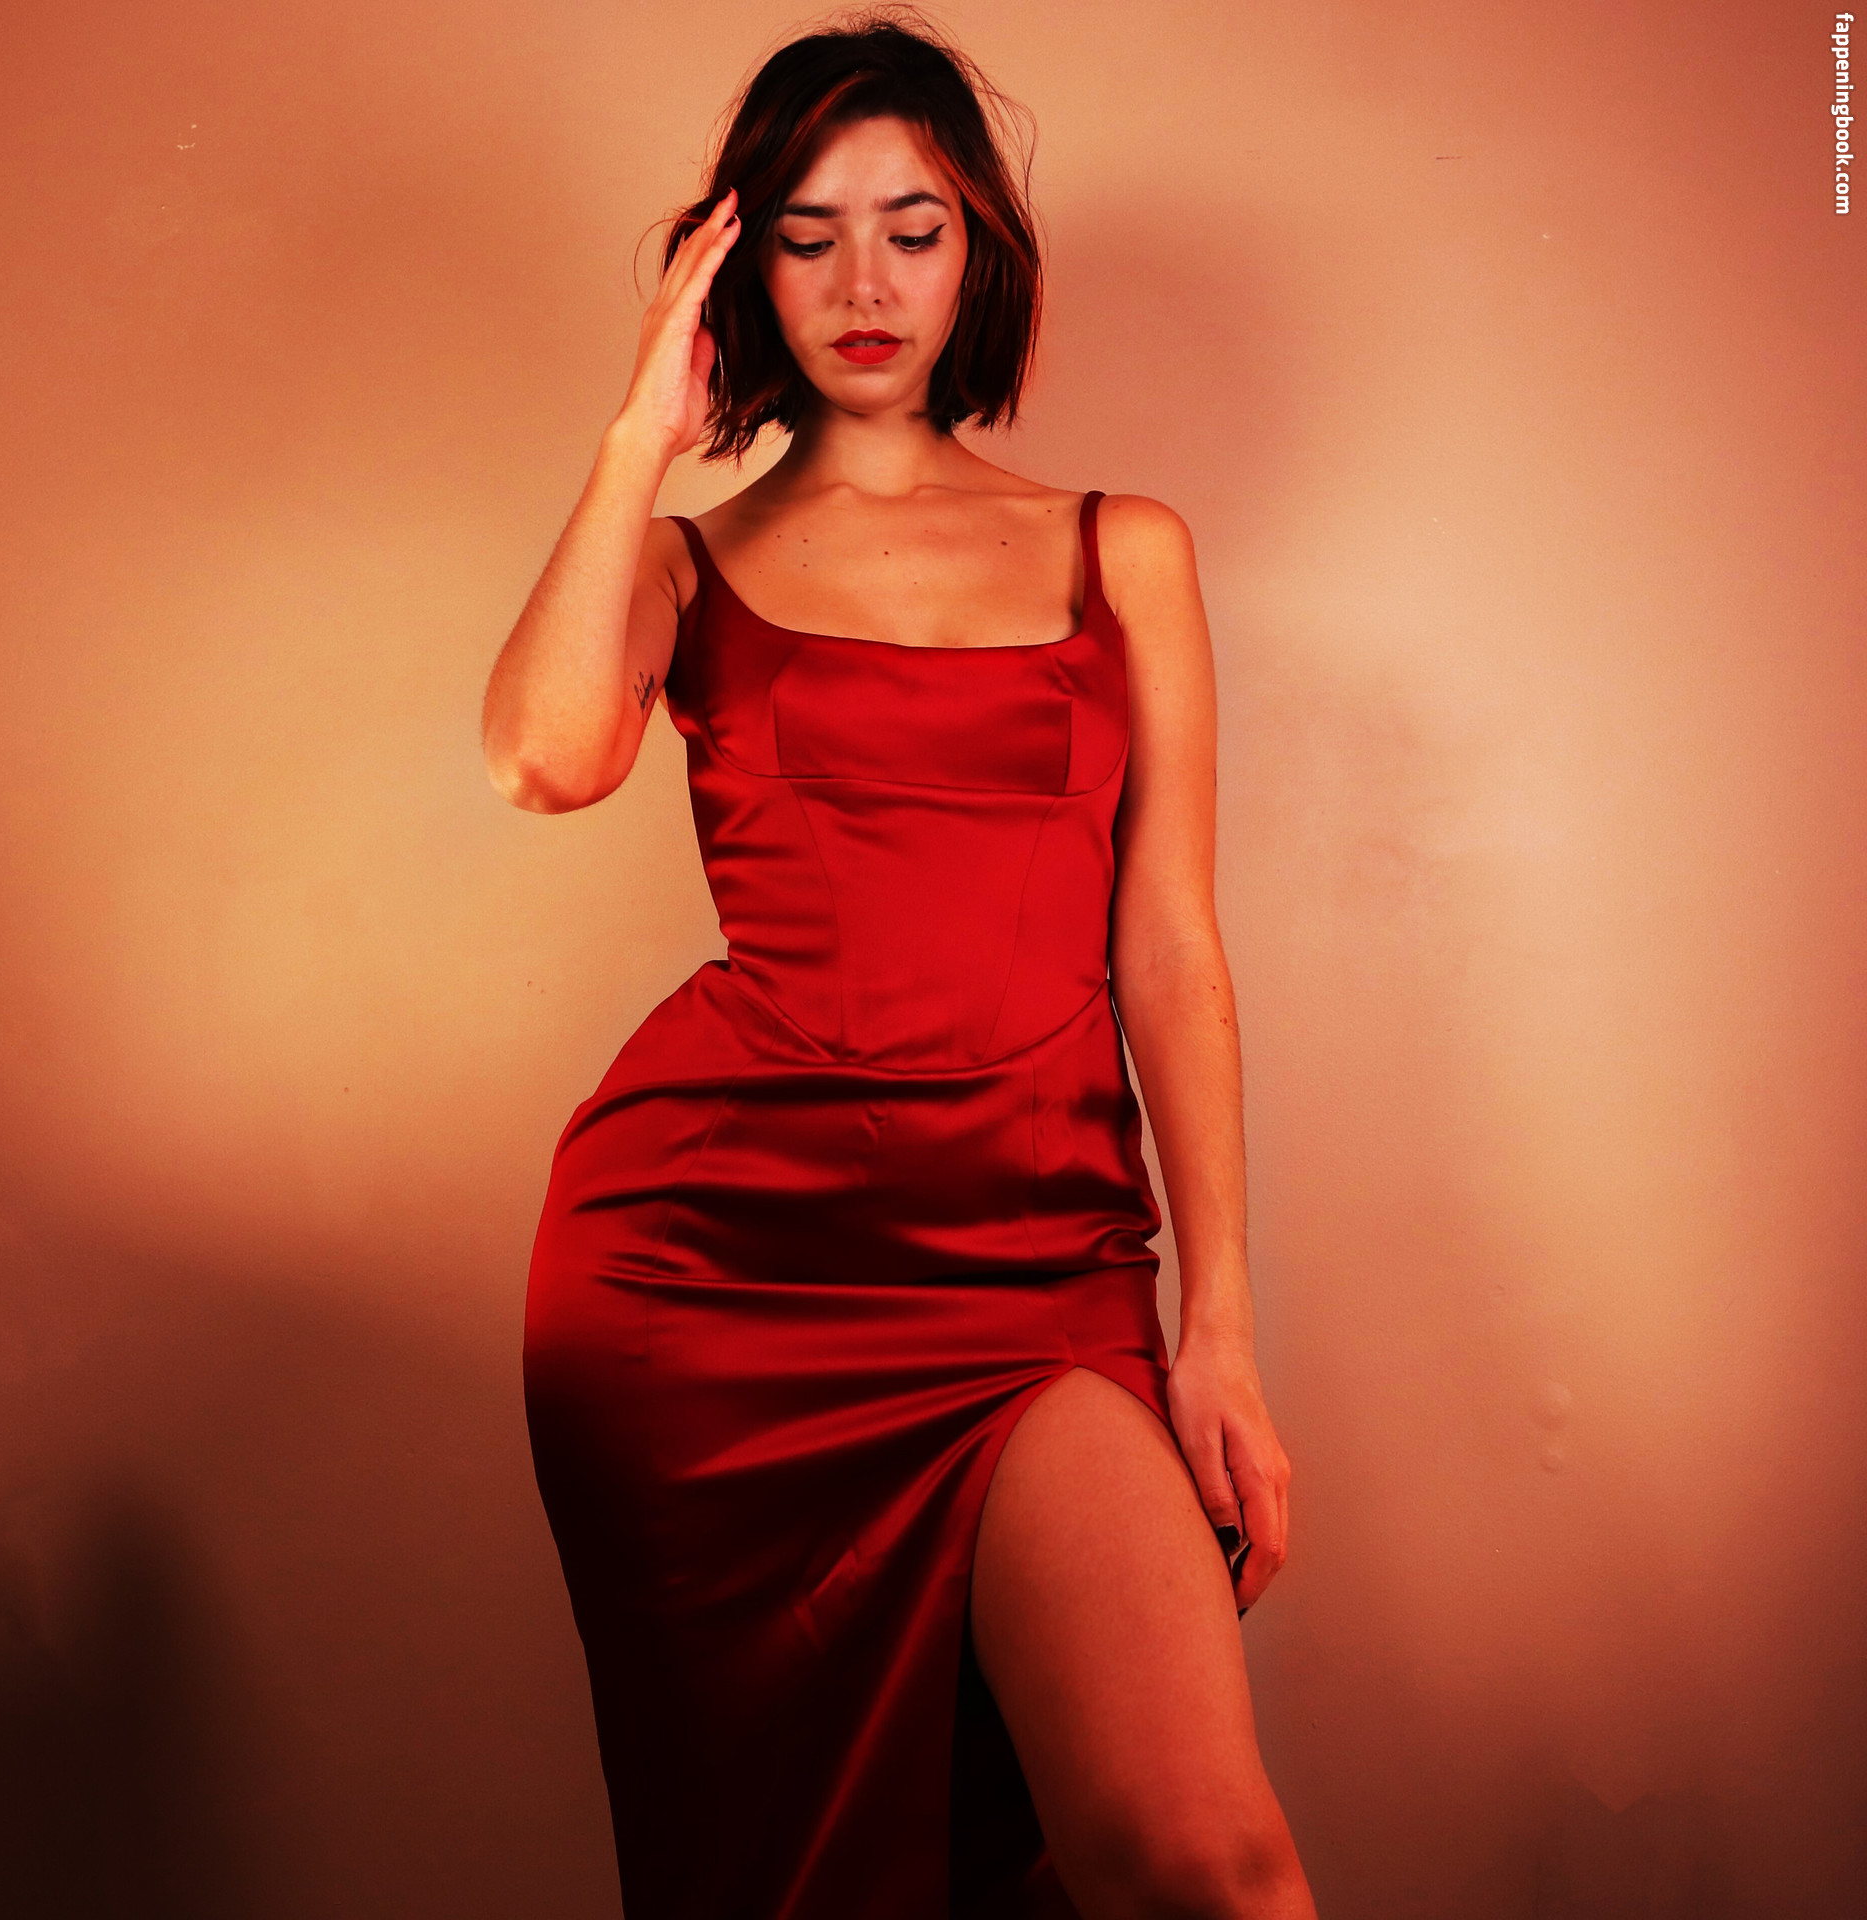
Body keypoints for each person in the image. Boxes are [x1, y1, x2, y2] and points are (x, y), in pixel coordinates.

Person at [481, 12, 1316, 1918]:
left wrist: (1220, 1327)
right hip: (716, 1275)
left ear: (976, 254)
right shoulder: (681, 563)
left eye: (913, 229)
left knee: (1207, 1862)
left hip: (1040, 1267)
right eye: (808, 234)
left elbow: (1171, 949)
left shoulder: (1125, 551)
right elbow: (542, 757)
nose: (864, 283)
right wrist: (634, 437)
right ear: (739, 270)